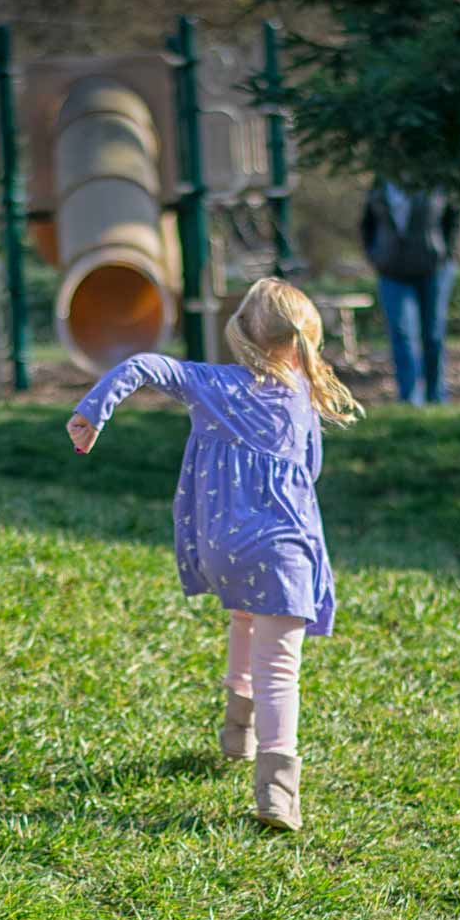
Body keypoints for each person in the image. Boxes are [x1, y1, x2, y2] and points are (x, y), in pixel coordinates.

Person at [64, 278, 360, 831]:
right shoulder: (301, 392)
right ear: (302, 342)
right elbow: (311, 470)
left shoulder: (211, 384)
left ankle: (235, 734)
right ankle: (276, 793)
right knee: (279, 669)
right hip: (283, 548)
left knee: (245, 613)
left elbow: (145, 364)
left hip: (224, 547)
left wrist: (93, 412)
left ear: (239, 334)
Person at [361, 180, 460, 405]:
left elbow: (453, 218)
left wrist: (445, 253)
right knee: (401, 333)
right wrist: (376, 256)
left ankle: (436, 396)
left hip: (433, 268)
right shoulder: (380, 187)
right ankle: (409, 397)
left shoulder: (434, 183)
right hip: (392, 270)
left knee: (433, 334)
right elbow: (367, 224)